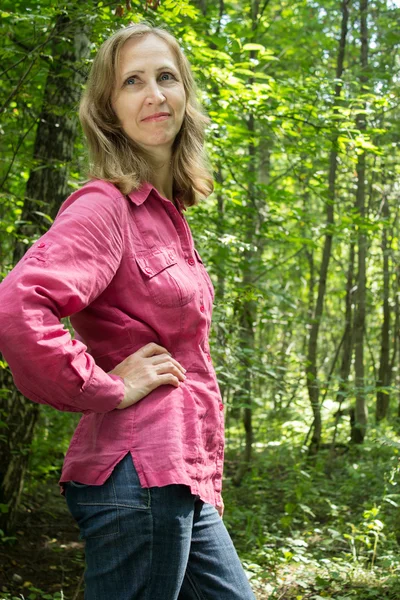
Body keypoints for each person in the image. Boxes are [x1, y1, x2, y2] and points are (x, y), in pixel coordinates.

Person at [0, 22, 256, 600]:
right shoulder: (104, 206)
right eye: (132, 82)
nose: (154, 94)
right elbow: (18, 307)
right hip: (137, 480)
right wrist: (105, 387)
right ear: (109, 110)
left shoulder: (166, 217)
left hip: (178, 477)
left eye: (166, 77)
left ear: (186, 93)